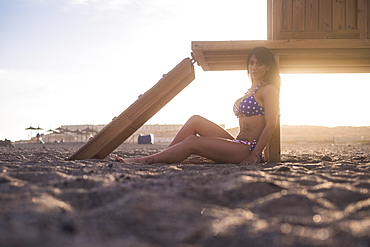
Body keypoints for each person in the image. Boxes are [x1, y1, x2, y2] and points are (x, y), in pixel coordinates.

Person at [115, 46, 280, 165]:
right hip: (238, 143)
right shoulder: (250, 90)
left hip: (248, 149)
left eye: (259, 64)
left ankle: (144, 160)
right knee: (195, 120)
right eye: (251, 63)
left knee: (192, 141)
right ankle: (164, 156)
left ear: (268, 67)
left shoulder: (269, 89)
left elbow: (271, 124)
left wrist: (255, 155)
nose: (254, 67)